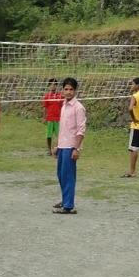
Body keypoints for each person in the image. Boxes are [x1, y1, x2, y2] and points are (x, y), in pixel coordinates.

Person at [53, 77, 86, 214]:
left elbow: (81, 130)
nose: (68, 92)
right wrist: (57, 145)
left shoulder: (78, 108)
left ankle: (68, 205)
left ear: (75, 91)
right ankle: (65, 198)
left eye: (71, 89)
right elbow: (64, 128)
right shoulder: (64, 105)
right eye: (66, 89)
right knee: (61, 174)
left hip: (71, 147)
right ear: (62, 90)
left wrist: (76, 148)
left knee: (68, 176)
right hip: (62, 146)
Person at [42, 78, 61, 156]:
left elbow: (63, 106)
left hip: (58, 119)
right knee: (49, 135)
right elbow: (45, 108)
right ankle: (49, 150)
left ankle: (58, 149)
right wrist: (44, 118)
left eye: (54, 84)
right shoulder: (47, 96)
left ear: (56, 86)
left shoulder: (60, 96)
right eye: (51, 85)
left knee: (59, 135)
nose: (53, 86)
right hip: (50, 118)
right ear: (49, 86)